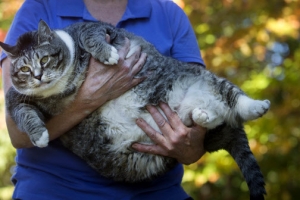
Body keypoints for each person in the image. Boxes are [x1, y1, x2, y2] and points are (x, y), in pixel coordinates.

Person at [0, 0, 207, 199]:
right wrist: (91, 98)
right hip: (56, 191)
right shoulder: (39, 7)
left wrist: (191, 148)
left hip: (157, 190)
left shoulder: (168, 14)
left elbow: (199, 111)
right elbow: (19, 135)